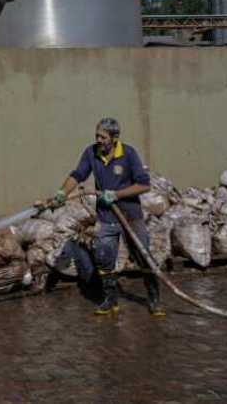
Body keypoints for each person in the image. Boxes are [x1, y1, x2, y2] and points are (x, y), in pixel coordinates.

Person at [50, 117, 165, 317]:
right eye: (97, 136)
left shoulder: (128, 154)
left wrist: (117, 194)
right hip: (106, 216)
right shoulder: (91, 152)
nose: (98, 140)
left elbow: (144, 184)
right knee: (104, 258)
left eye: (103, 137)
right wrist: (62, 193)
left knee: (143, 255)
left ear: (115, 138)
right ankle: (110, 301)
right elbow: (78, 175)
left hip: (130, 216)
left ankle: (154, 299)